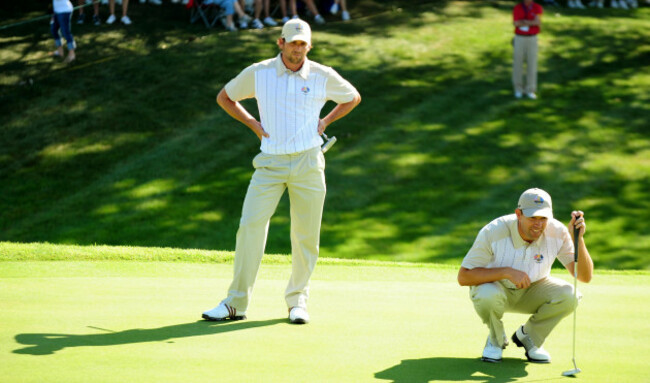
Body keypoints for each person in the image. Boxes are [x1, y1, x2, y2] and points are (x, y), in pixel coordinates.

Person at [202, 18, 361, 325]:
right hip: (269, 163)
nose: (297, 49)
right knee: (250, 225)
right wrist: (253, 125)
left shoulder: (321, 74)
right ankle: (236, 302)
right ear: (281, 43)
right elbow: (226, 97)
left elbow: (352, 97)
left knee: (305, 234)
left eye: (303, 44)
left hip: (308, 162)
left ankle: (297, 302)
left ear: (309, 46)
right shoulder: (259, 72)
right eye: (292, 43)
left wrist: (325, 121)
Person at [458, 188, 593, 363]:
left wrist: (578, 239)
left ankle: (529, 338)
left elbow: (583, 276)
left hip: (534, 290)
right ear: (518, 214)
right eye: (532, 218)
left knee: (570, 295)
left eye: (543, 218)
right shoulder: (493, 231)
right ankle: (496, 340)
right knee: (486, 295)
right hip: (497, 289)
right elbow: (464, 277)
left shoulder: (558, 232)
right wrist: (506, 272)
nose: (538, 224)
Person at [512, 0, 543, 100]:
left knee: (532, 63)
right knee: (518, 63)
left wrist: (524, 22)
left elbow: (538, 22)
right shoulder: (517, 7)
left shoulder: (537, 7)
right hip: (519, 38)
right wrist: (531, 22)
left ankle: (530, 90)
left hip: (532, 38)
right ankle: (518, 89)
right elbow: (516, 23)